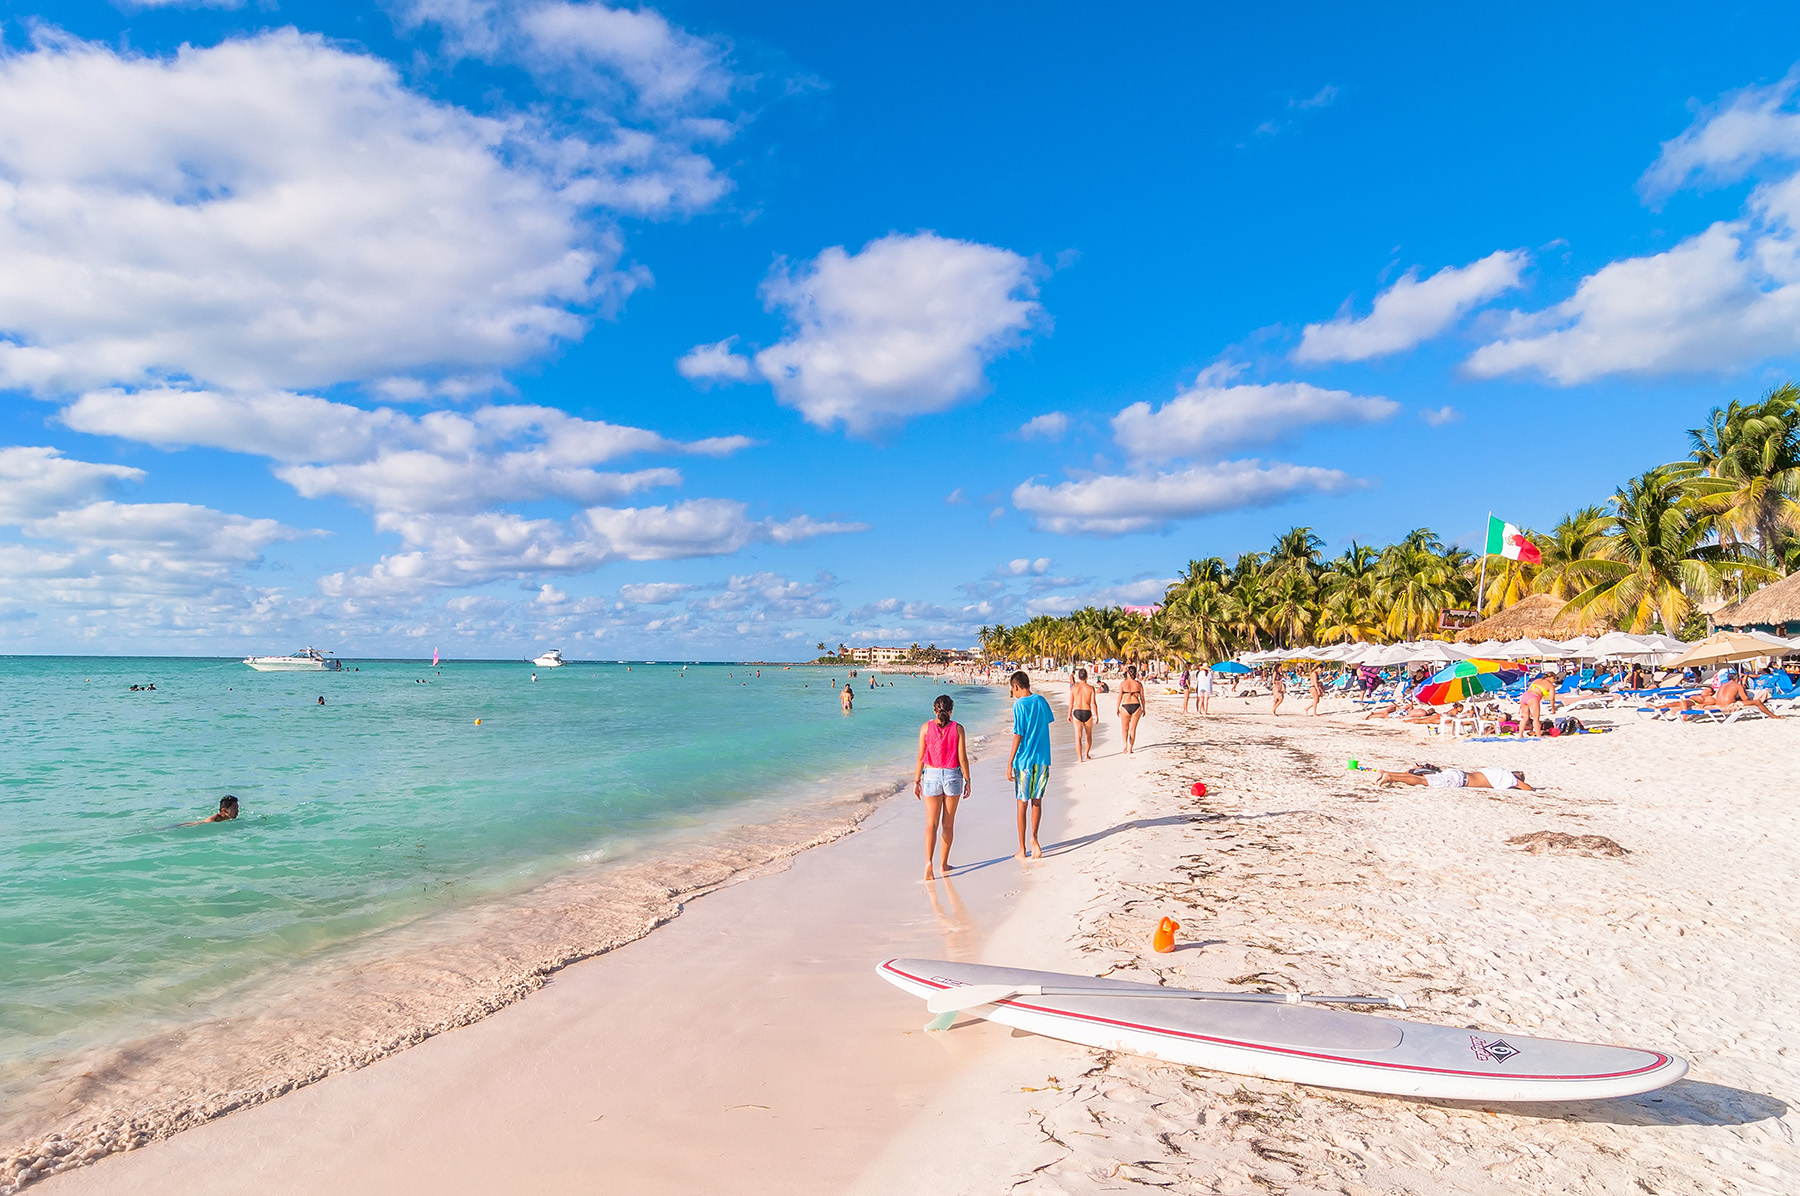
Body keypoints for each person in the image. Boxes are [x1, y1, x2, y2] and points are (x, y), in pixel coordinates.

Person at [913, 695, 972, 879]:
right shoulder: (958, 729)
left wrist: (916, 781)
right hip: (953, 776)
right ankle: (944, 864)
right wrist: (968, 780)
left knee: (931, 824)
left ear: (934, 710)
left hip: (931, 776)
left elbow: (921, 758)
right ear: (951, 711)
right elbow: (962, 758)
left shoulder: (925, 728)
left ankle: (928, 862)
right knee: (948, 824)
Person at [1008, 671, 1053, 859]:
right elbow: (1047, 721)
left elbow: (1018, 733)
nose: (1013, 693)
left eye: (1012, 689)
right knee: (1037, 801)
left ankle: (1022, 848)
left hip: (1024, 761)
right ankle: (1034, 838)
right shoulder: (1041, 701)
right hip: (1042, 758)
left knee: (1021, 803)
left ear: (1017, 686)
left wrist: (1010, 761)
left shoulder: (1019, 704)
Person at [1372, 767, 1534, 791]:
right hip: (1459, 781)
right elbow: (1527, 789)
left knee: (1421, 777)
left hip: (1459, 774)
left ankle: (1387, 773)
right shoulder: (1508, 778)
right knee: (1423, 781)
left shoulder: (1497, 770)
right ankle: (1389, 776)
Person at [1067, 667, 1097, 761]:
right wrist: (1096, 715)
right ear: (1087, 677)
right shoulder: (1091, 688)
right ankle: (1086, 754)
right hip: (1087, 711)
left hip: (1077, 712)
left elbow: (1071, 703)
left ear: (1078, 677)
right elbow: (1093, 703)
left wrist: (1069, 714)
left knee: (1078, 736)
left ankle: (1080, 758)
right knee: (1088, 735)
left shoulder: (1074, 688)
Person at [1116, 665, 1146, 754]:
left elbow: (1120, 697)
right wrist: (1144, 708)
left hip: (1125, 706)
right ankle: (1130, 748)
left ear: (1128, 673)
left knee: (1124, 728)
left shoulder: (1123, 684)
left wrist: (1117, 707)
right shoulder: (1138, 684)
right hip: (1136, 706)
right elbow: (1142, 698)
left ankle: (1125, 744)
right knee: (1133, 729)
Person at [1519, 668, 1558, 736]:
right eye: (1554, 679)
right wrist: (1553, 708)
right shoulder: (1550, 685)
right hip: (1533, 698)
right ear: (1551, 678)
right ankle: (1538, 735)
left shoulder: (1536, 680)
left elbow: (1529, 690)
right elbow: (1552, 698)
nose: (1554, 681)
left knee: (1525, 718)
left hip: (1524, 696)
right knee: (1536, 719)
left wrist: (1520, 707)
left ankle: (1520, 735)